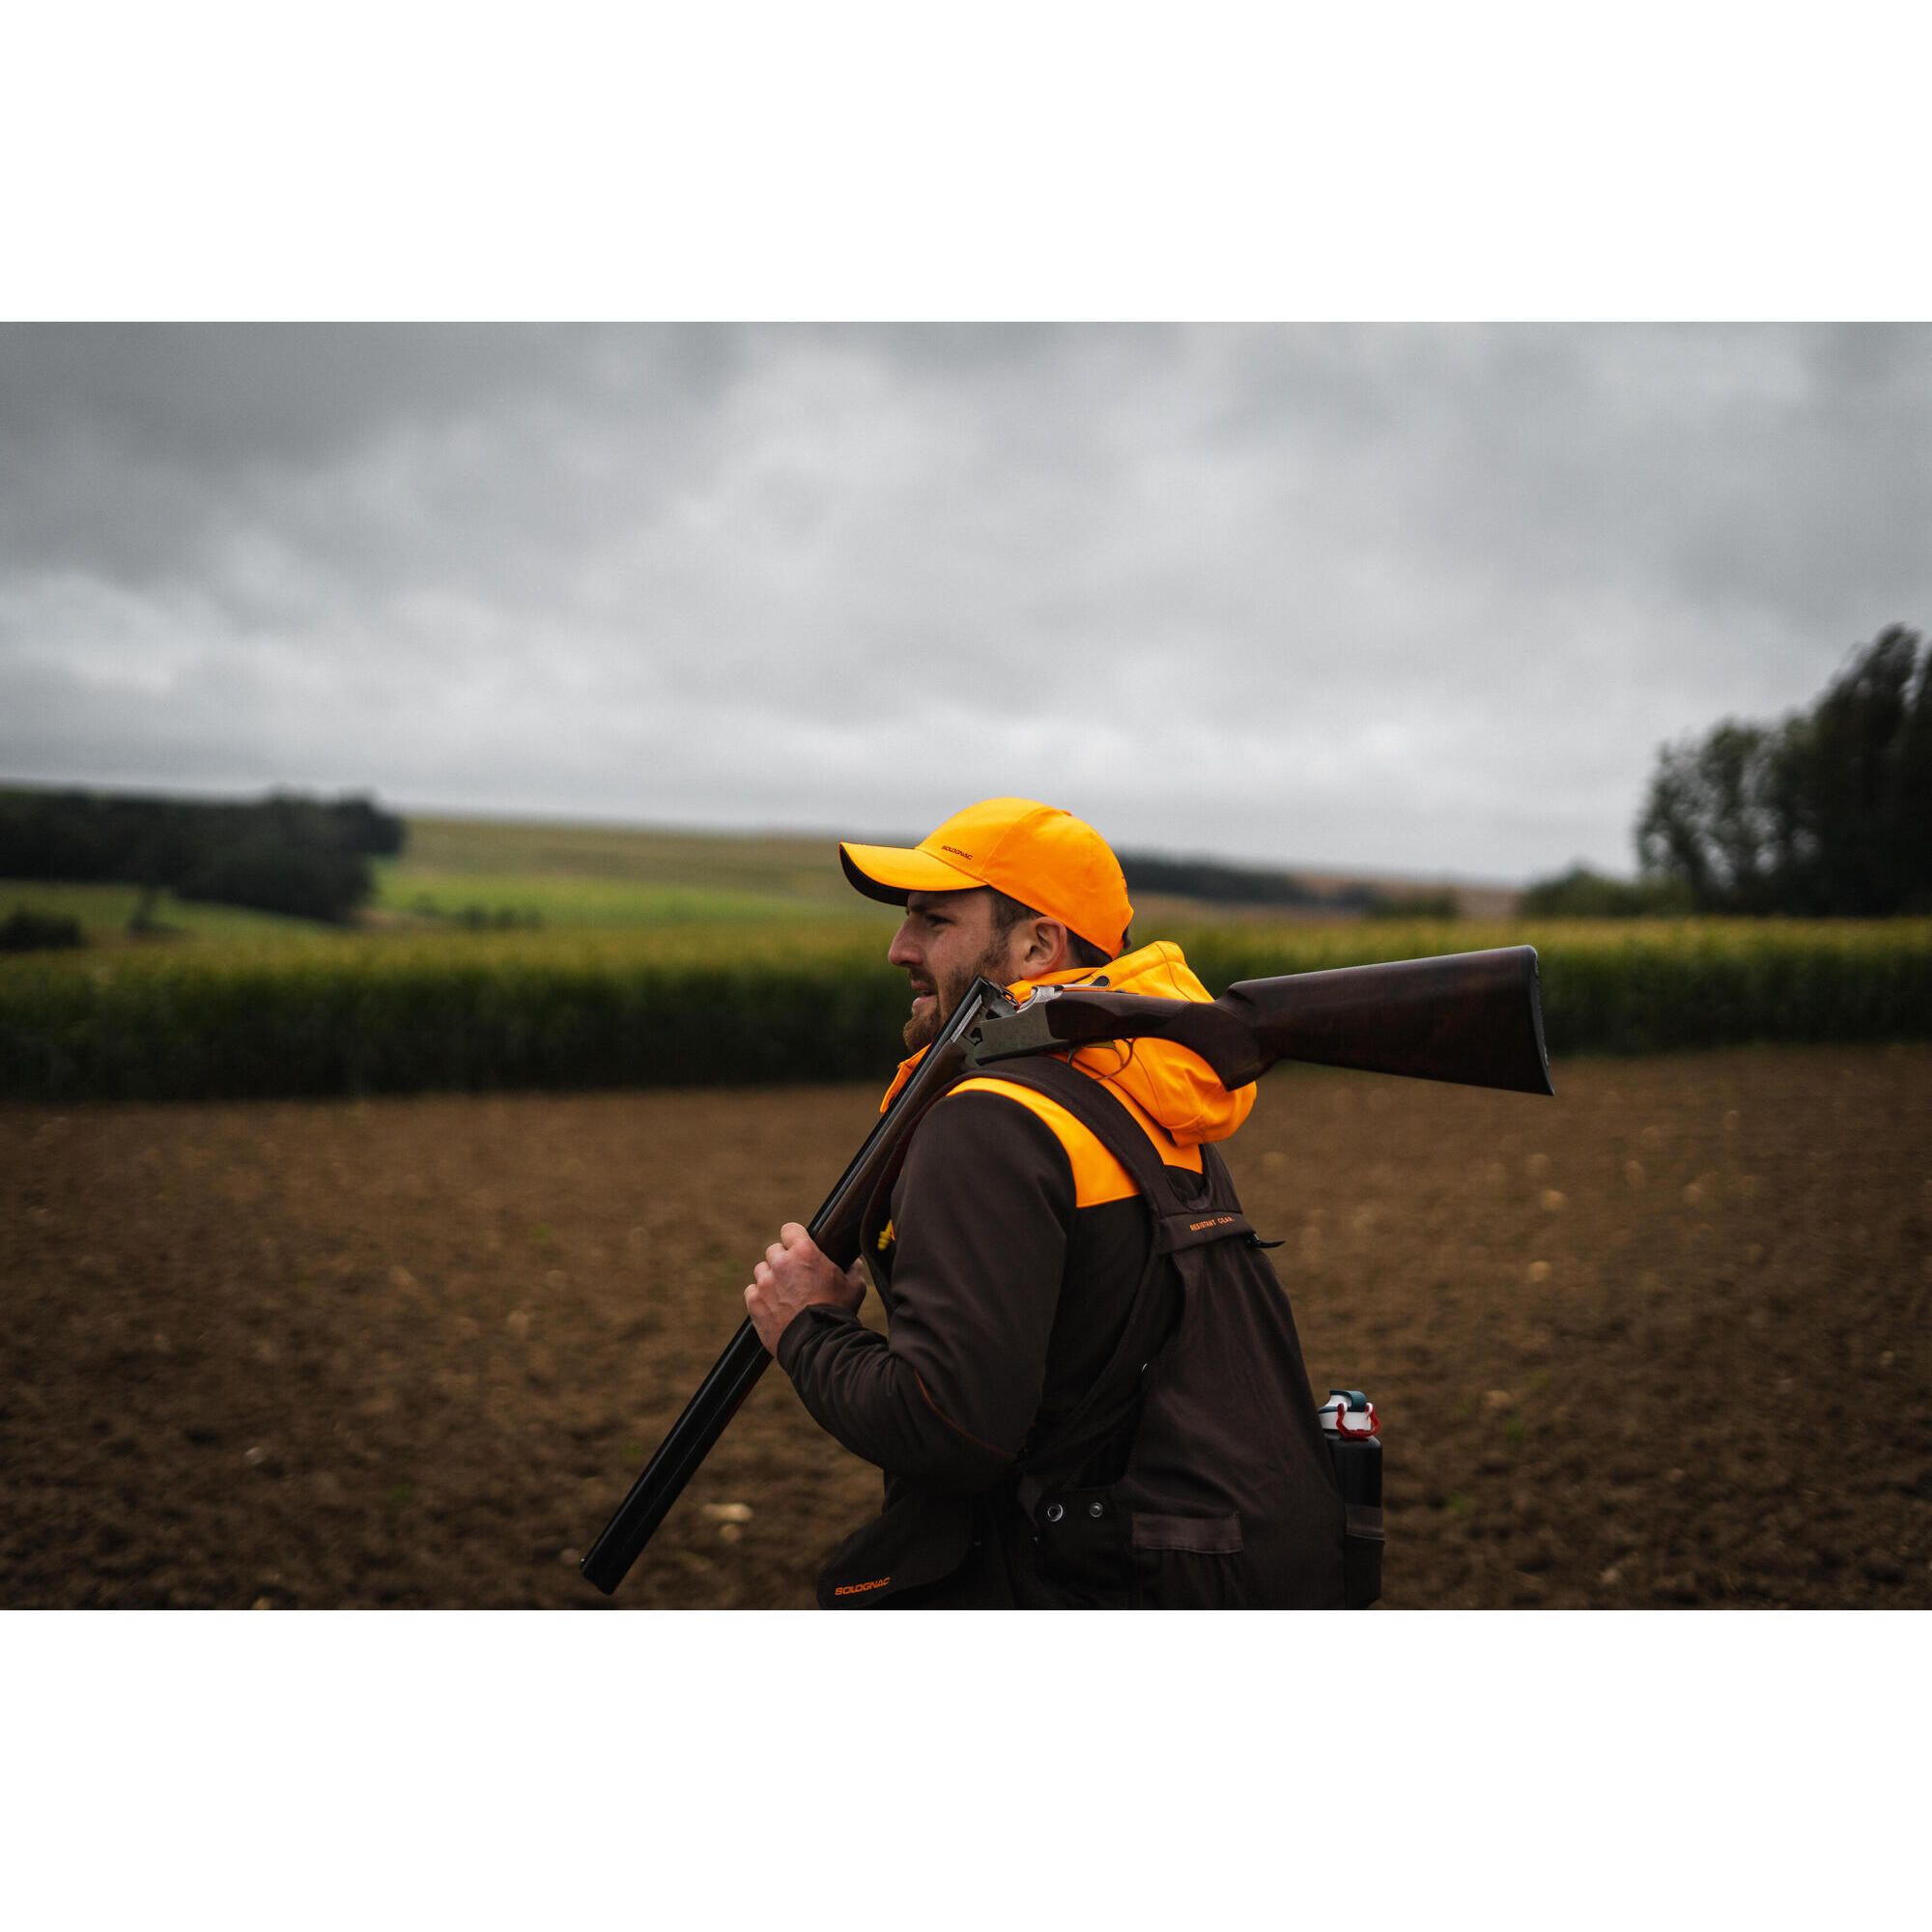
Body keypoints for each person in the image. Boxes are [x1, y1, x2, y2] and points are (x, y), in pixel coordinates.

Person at [742, 796, 1347, 1607]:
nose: (898, 948)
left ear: (1037, 946)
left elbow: (950, 1429)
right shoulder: (1141, 1102)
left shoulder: (991, 1120)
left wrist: (808, 1327)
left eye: (934, 920)